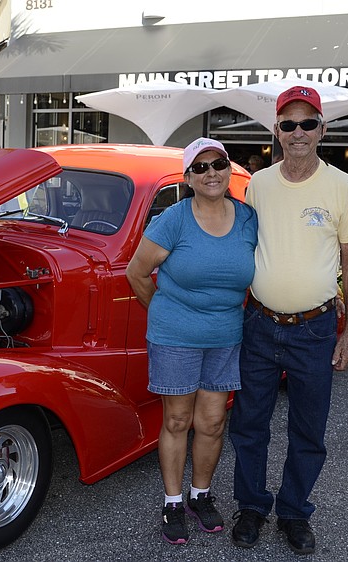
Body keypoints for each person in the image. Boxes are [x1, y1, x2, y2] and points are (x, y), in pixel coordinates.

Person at [229, 85, 348, 555]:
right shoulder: (259, 185)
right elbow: (243, 247)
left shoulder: (341, 186)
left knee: (308, 429)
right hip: (260, 324)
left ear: (322, 130)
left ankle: (293, 513)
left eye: (308, 123)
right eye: (289, 124)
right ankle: (250, 507)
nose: (298, 132)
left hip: (315, 328)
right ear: (277, 132)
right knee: (249, 424)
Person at [126, 137, 258, 545]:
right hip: (175, 337)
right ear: (187, 178)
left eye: (217, 164)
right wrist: (168, 315)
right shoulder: (174, 219)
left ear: (228, 168)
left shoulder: (250, 219)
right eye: (199, 168)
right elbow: (136, 272)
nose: (210, 173)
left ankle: (200, 496)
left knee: (213, 422)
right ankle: (171, 501)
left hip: (226, 337)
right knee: (178, 420)